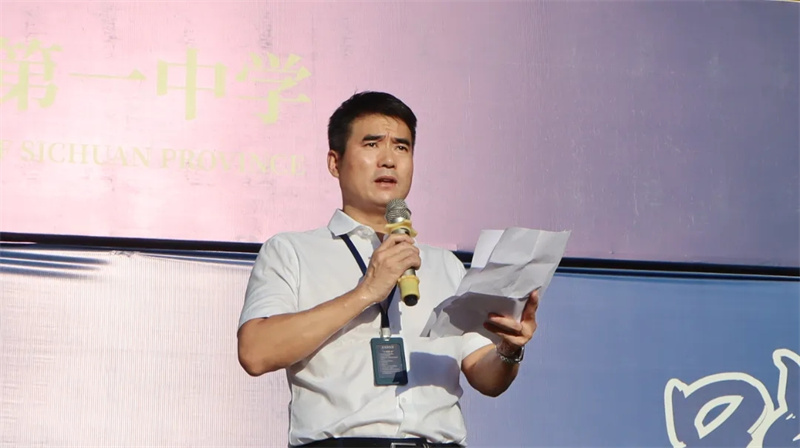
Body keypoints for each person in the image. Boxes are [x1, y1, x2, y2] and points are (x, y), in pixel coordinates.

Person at [237, 91, 539, 448]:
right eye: (372, 144)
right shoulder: (292, 251)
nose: (389, 160)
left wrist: (509, 349)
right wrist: (366, 292)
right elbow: (256, 353)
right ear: (335, 162)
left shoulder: (445, 264)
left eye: (401, 147)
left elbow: (485, 377)